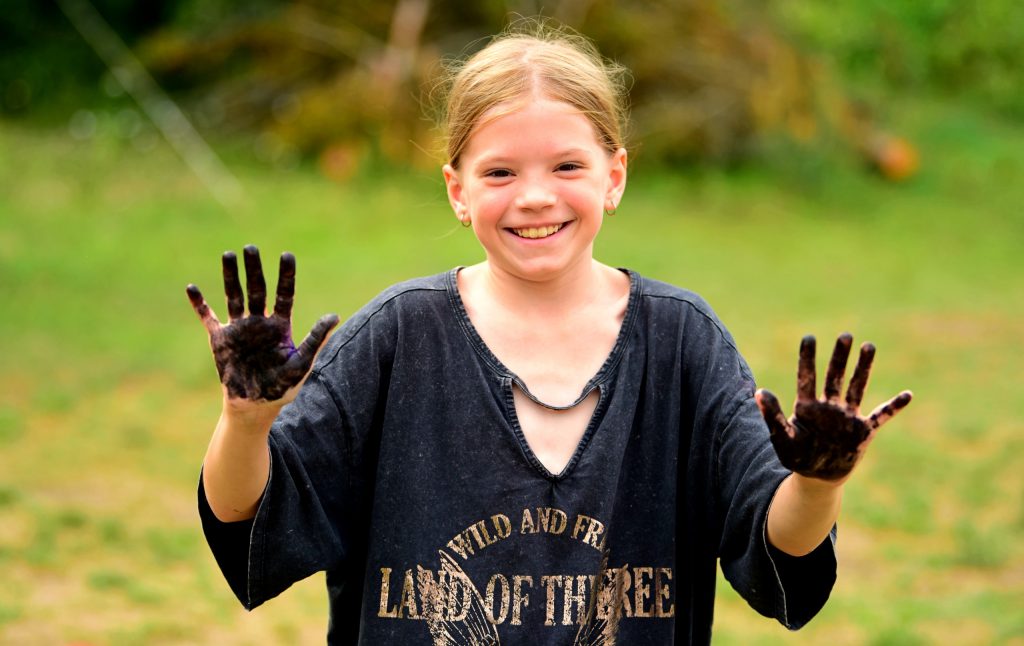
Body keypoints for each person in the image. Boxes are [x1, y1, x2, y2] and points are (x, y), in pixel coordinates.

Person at [186, 22, 912, 646]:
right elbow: (251, 524)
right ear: (457, 190)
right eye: (499, 171)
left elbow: (777, 550)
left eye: (567, 165)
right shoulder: (398, 337)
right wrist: (245, 421)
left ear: (614, 175)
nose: (535, 196)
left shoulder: (681, 342)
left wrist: (817, 485)